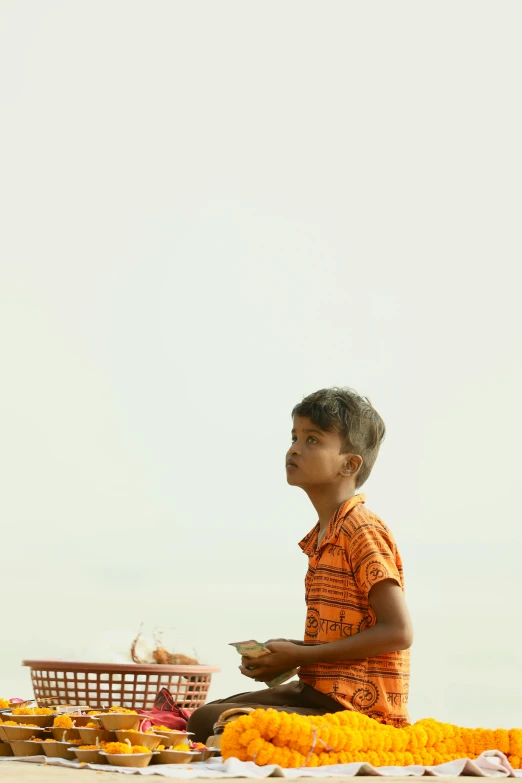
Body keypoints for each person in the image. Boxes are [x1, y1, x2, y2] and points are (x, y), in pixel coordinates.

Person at [187, 387, 413, 743]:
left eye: (312, 440)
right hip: (317, 693)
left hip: (356, 709)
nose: (294, 449)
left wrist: (303, 657)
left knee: (221, 723)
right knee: (204, 717)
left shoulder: (361, 528)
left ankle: (350, 738)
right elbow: (348, 636)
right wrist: (289, 653)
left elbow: (398, 632)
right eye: (294, 437)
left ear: (349, 464)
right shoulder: (323, 536)